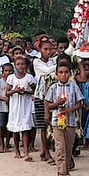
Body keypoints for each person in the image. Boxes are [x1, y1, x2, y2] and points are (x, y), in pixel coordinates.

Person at [44, 60, 84, 176]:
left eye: (66, 72)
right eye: (60, 72)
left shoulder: (73, 87)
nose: (63, 75)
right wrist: (56, 104)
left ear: (70, 73)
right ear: (56, 74)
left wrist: (69, 110)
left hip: (70, 122)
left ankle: (66, 170)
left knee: (68, 148)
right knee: (60, 148)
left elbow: (80, 103)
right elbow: (48, 104)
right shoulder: (53, 87)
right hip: (57, 122)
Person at [32, 38, 58, 166]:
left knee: (51, 125)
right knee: (43, 126)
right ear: (39, 50)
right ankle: (47, 153)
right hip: (41, 97)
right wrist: (58, 65)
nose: (48, 51)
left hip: (52, 97)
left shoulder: (53, 60)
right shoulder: (36, 62)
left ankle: (44, 150)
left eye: (50, 49)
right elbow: (47, 72)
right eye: (45, 49)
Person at [6, 55, 36, 160]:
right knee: (15, 130)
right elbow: (7, 93)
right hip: (15, 107)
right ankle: (17, 151)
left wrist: (25, 92)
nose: (20, 66)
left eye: (22, 64)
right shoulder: (11, 78)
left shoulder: (29, 77)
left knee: (25, 129)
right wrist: (16, 91)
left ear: (26, 65)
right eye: (18, 64)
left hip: (25, 106)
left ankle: (26, 152)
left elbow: (33, 91)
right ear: (15, 66)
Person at [0, 62, 13, 152]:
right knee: (1, 127)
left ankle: (7, 144)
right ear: (2, 72)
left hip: (12, 108)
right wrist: (3, 99)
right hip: (1, 108)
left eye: (10, 71)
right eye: (6, 71)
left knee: (9, 127)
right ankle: (2, 145)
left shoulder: (13, 81)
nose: (8, 73)